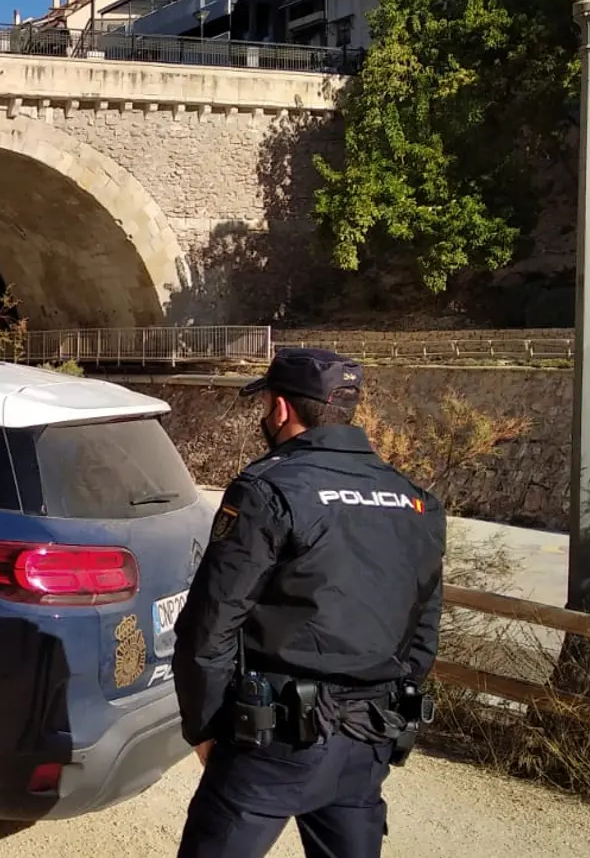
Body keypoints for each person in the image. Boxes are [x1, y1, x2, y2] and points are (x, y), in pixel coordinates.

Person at [172, 347, 446, 858]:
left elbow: (209, 625)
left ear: (280, 410)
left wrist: (205, 726)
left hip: (273, 740)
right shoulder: (415, 500)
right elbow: (424, 626)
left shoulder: (267, 488)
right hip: (367, 737)